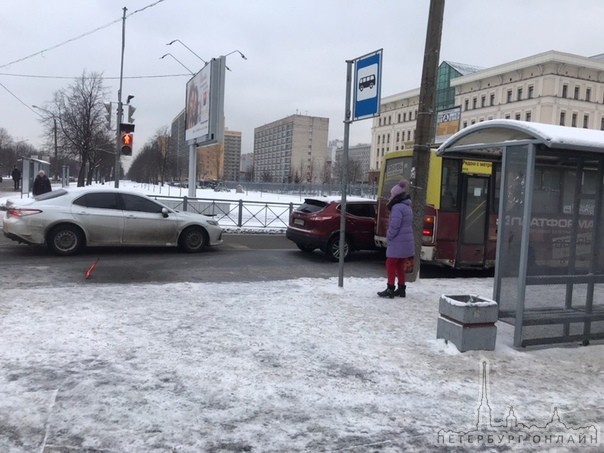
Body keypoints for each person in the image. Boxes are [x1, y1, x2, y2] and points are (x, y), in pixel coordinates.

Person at [378, 179, 414, 299]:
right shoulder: (407, 206)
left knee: (390, 263)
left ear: (396, 196)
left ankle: (390, 288)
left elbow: (395, 225)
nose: (390, 197)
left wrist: (390, 235)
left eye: (391, 195)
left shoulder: (397, 207)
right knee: (399, 264)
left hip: (398, 240)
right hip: (406, 240)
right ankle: (401, 288)